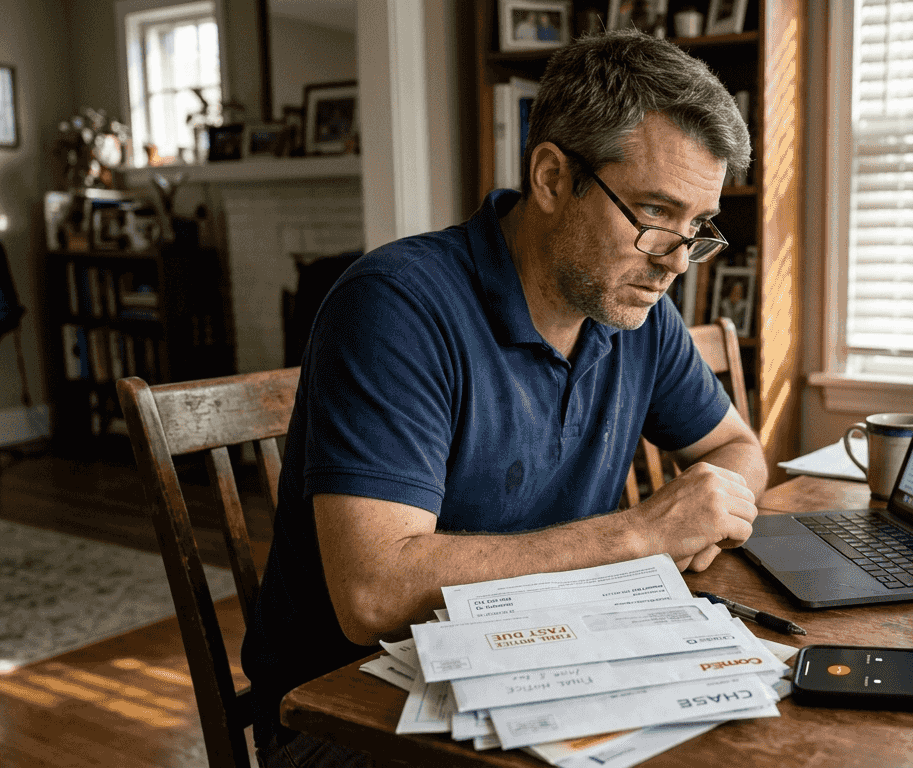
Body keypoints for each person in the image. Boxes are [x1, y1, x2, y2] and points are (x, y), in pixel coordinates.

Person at [243, 29, 765, 767]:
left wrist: (708, 513)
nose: (677, 262)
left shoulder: (636, 309)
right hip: (350, 711)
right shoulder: (395, 306)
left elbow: (737, 448)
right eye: (655, 214)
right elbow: (373, 595)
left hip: (549, 658)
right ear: (551, 177)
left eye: (697, 227)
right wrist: (642, 536)